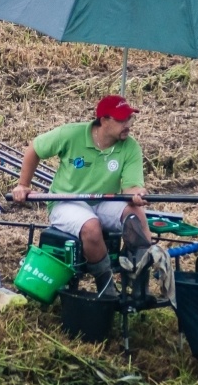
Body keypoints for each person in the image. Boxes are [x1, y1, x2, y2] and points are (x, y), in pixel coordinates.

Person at [12, 95, 152, 297]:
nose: (128, 125)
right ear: (104, 120)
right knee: (91, 227)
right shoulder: (71, 134)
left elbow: (131, 188)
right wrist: (23, 185)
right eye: (122, 120)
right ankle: (106, 286)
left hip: (104, 200)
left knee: (136, 215)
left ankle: (139, 283)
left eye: (130, 119)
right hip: (66, 201)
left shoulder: (130, 147)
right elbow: (35, 148)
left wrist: (137, 195)